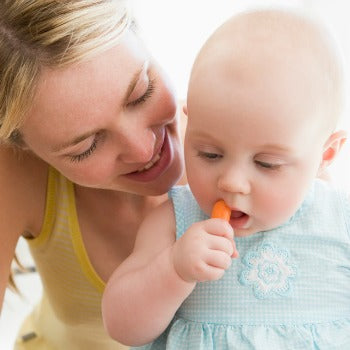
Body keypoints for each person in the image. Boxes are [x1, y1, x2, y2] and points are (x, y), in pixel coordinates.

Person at [101, 8, 350, 350]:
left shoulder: (340, 220)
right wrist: (174, 270)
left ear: (326, 154)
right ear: (191, 121)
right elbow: (121, 326)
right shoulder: (176, 222)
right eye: (210, 154)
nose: (232, 182)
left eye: (267, 163)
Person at [0, 1, 187, 349]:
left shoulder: (241, 134)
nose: (144, 150)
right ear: (28, 151)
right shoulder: (19, 174)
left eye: (141, 92)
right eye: (86, 146)